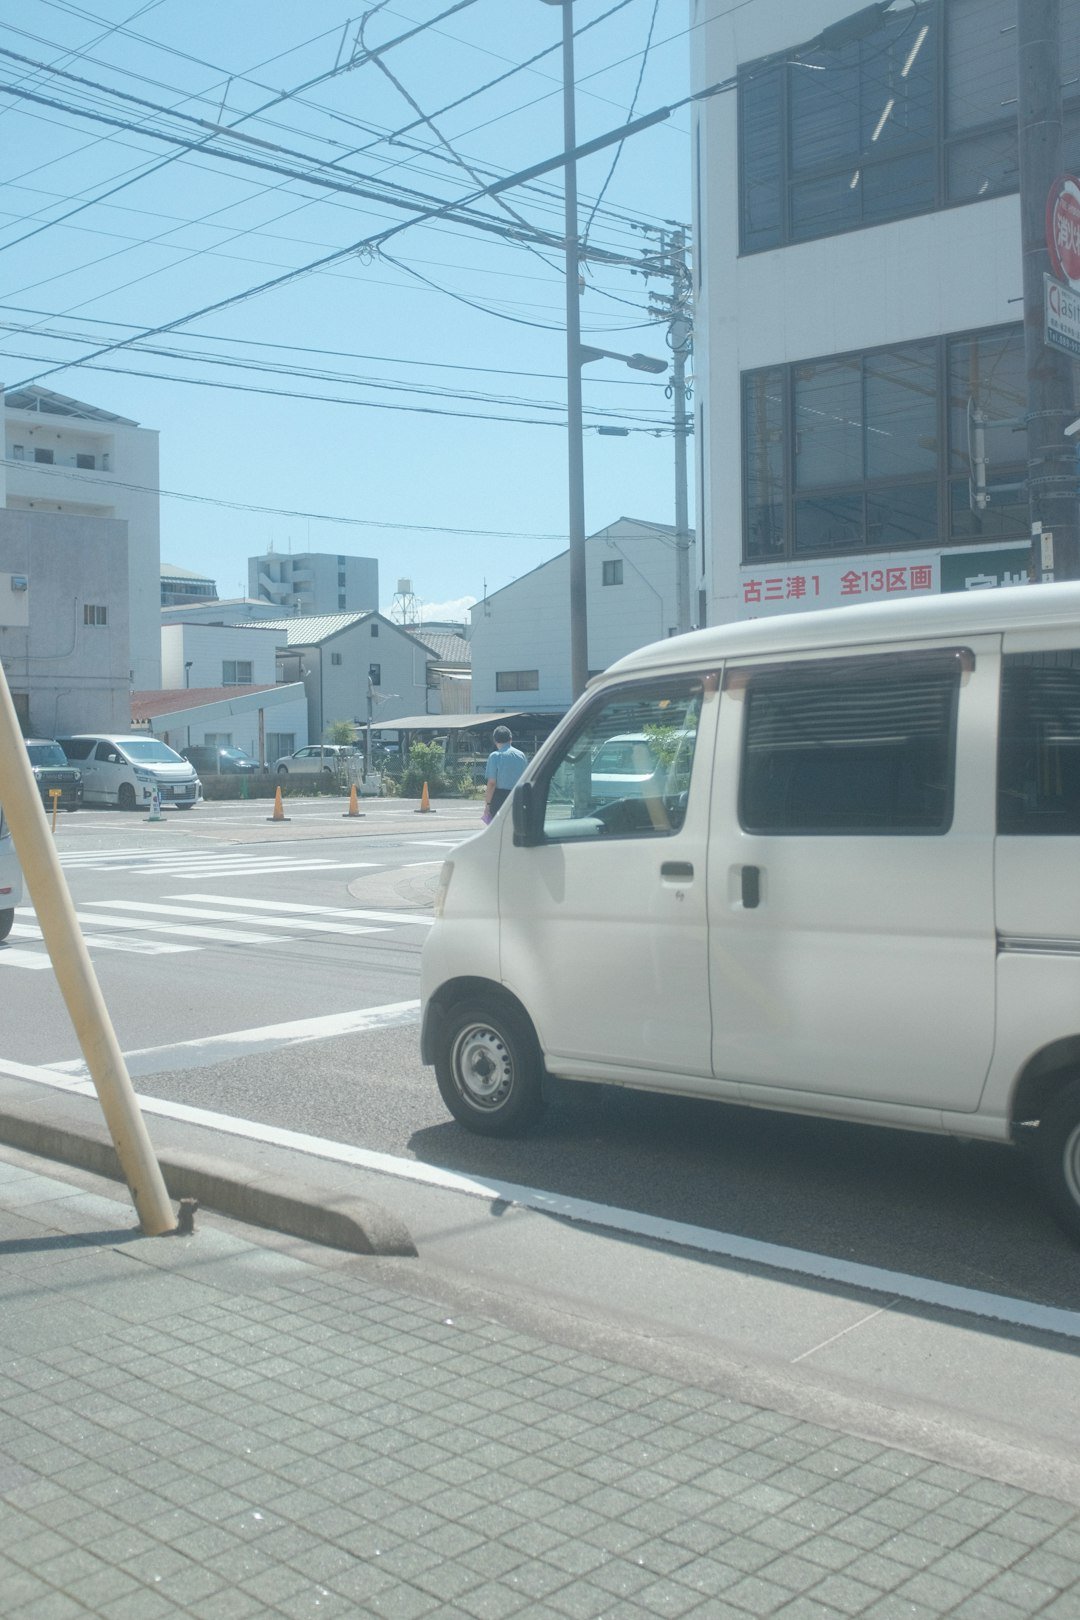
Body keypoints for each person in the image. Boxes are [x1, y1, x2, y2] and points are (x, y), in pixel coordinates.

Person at [482, 726, 527, 821]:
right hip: (518, 796)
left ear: (494, 740)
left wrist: (488, 804)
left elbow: (492, 783)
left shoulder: (495, 756)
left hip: (500, 797)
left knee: (498, 829)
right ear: (510, 739)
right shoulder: (521, 755)